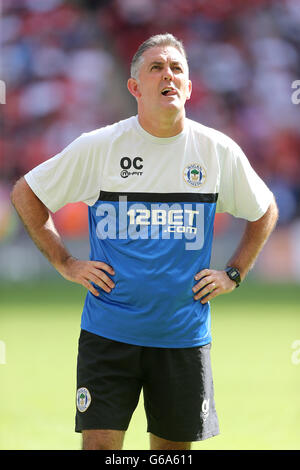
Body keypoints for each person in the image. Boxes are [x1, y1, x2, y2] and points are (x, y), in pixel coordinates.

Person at [11, 33, 278, 451]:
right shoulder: (100, 147)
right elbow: (27, 194)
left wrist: (234, 273)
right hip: (108, 333)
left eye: (176, 68)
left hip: (183, 338)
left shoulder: (215, 151)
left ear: (189, 88)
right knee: (100, 448)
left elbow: (264, 210)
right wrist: (66, 262)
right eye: (156, 67)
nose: (167, 75)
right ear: (134, 87)